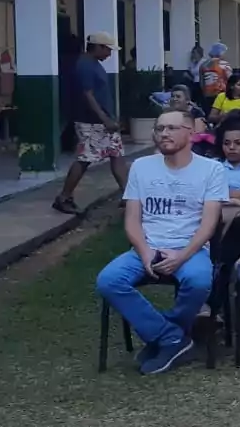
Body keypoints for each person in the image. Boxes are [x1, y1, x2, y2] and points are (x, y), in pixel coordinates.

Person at [94, 111, 228, 374]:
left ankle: (167, 334)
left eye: (171, 128)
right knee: (108, 280)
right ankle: (171, 338)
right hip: (147, 247)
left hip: (190, 249)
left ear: (190, 132)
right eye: (159, 128)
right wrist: (145, 253)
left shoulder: (212, 170)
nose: (164, 134)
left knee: (199, 281)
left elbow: (208, 224)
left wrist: (181, 256)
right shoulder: (141, 167)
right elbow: (132, 220)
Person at [52, 31, 128, 214]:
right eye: (108, 49)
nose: (110, 54)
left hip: (103, 122)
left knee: (117, 155)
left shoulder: (93, 64)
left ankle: (129, 196)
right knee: (85, 159)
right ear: (99, 47)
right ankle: (64, 197)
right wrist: (104, 120)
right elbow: (88, 96)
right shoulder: (84, 65)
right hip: (91, 122)